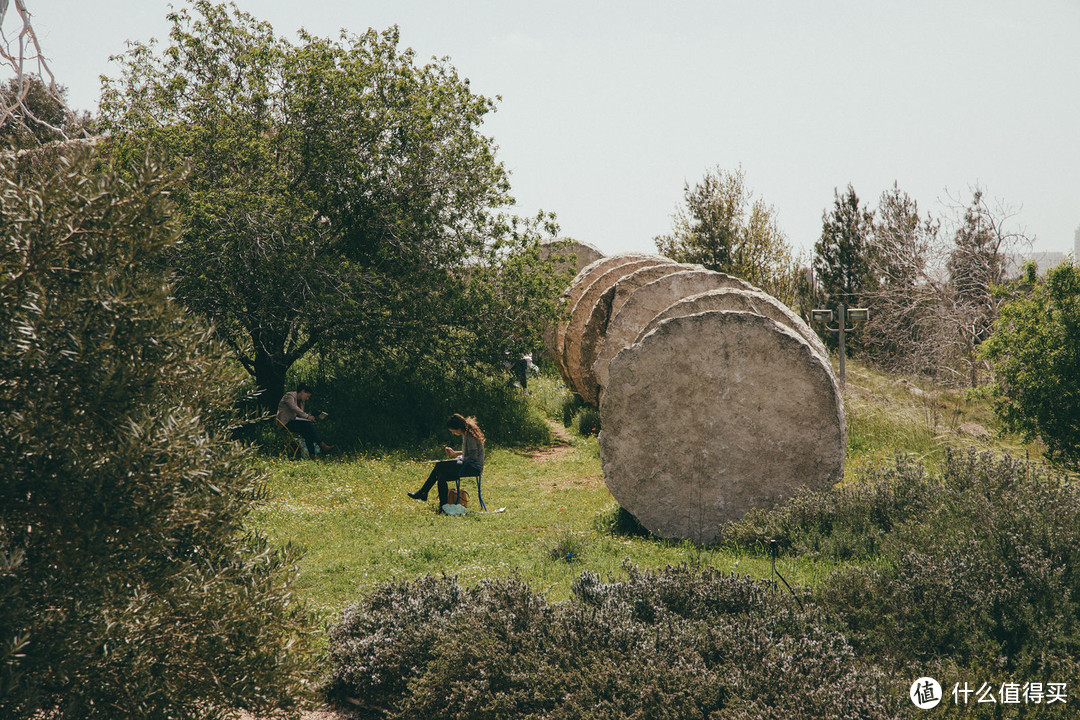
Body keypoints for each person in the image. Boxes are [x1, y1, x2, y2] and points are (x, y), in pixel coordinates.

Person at [408, 414, 485, 508]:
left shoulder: (469, 436)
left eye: (452, 430)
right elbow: (468, 453)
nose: (452, 433)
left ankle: (423, 492)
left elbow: (473, 456)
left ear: (458, 428)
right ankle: (443, 506)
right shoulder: (466, 433)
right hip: (469, 464)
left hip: (473, 467)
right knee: (441, 475)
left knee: (440, 466)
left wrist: (459, 459)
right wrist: (454, 453)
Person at [276, 383, 333, 457]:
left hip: (293, 422)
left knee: (307, 431)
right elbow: (294, 408)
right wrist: (307, 417)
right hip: (284, 423)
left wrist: (312, 417)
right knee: (307, 425)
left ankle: (312, 455)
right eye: (307, 396)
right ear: (303, 391)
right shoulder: (289, 396)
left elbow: (301, 414)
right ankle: (322, 444)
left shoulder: (302, 402)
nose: (307, 399)